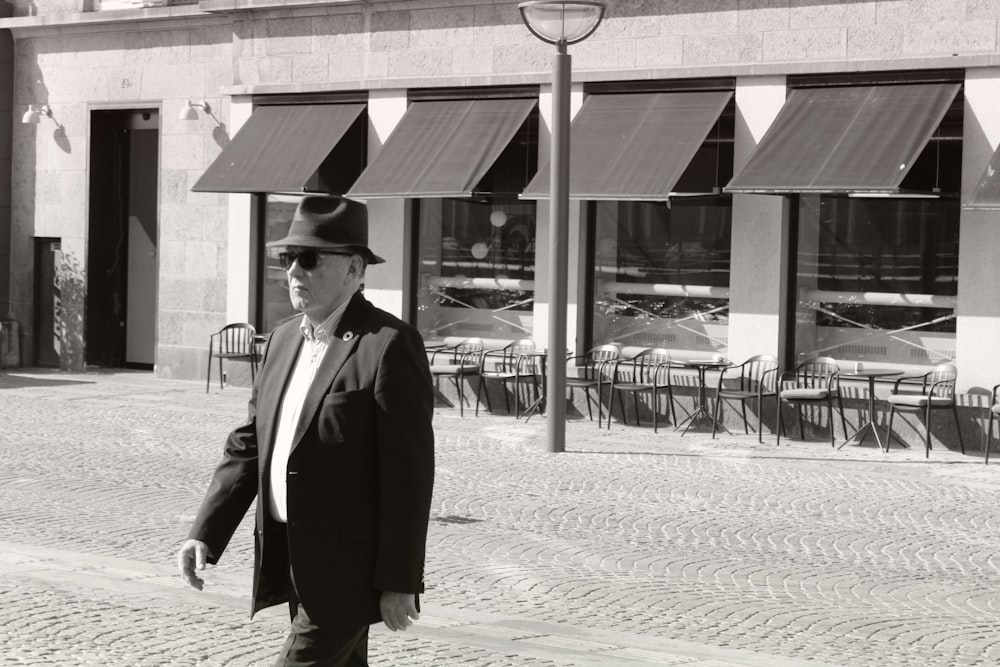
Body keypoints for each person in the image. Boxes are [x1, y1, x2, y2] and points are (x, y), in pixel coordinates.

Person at [177, 195, 435, 666]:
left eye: (310, 258)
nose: (294, 270)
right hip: (291, 556)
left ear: (355, 269)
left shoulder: (388, 345)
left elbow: (409, 475)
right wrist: (205, 533)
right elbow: (249, 446)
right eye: (287, 258)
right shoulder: (281, 339)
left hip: (348, 571)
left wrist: (401, 579)